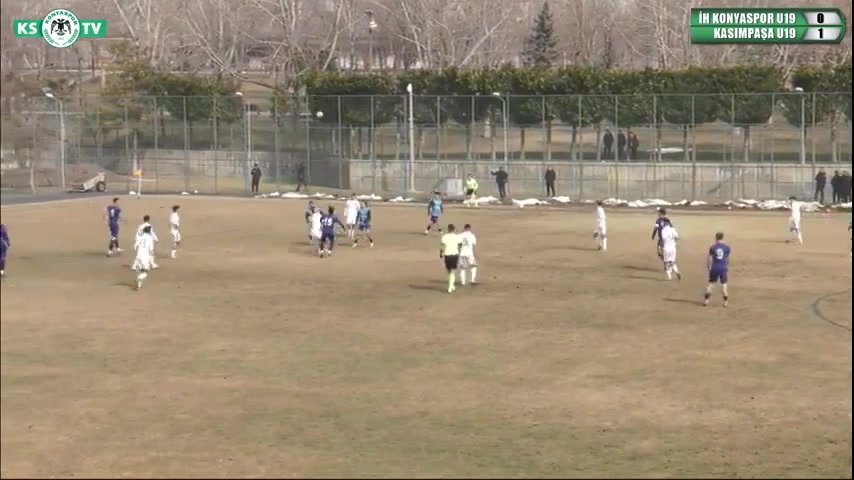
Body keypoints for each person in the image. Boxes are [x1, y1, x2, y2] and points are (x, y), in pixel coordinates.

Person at [704, 232, 731, 307]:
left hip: (714, 267)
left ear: (716, 237)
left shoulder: (713, 247)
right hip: (723, 268)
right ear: (723, 238)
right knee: (724, 286)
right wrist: (726, 266)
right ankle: (725, 302)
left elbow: (709, 258)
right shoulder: (727, 247)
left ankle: (706, 300)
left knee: (711, 285)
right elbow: (727, 259)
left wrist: (709, 266)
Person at [439, 224, 462, 293]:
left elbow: (442, 247)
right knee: (453, 271)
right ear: (454, 229)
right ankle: (450, 286)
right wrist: (459, 250)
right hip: (454, 255)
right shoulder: (457, 237)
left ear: (448, 229)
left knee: (449, 271)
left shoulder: (445, 237)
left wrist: (441, 255)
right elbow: (460, 245)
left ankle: (451, 286)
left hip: (447, 255)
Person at [133, 225, 156, 290]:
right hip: (145, 256)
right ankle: (139, 278)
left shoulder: (140, 237)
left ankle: (139, 286)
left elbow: (135, 246)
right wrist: (152, 260)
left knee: (141, 270)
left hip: (139, 255)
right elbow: (151, 249)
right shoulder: (150, 238)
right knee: (145, 272)